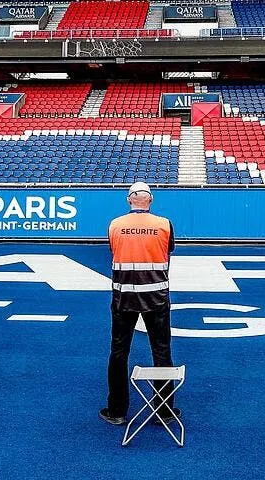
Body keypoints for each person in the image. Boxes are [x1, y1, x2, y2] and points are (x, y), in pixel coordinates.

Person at [99, 181, 179, 426]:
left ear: (129, 200)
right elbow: (169, 250)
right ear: (151, 201)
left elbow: (113, 250)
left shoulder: (115, 224)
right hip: (156, 297)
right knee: (162, 351)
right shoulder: (164, 224)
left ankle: (116, 411)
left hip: (124, 297)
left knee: (119, 352)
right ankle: (163, 411)